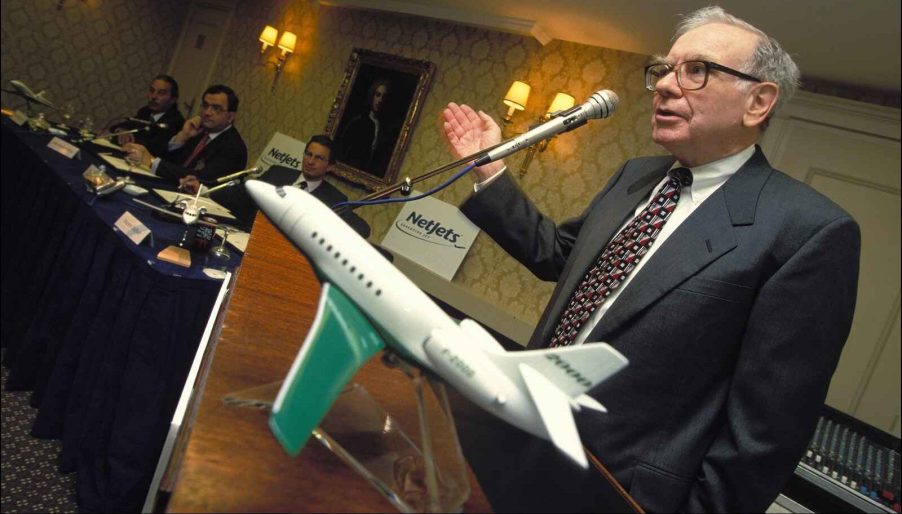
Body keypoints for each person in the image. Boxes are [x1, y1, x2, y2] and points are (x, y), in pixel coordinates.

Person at [441, 6, 860, 512]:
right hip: (516, 435)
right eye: (663, 68)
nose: (664, 85)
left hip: (616, 491)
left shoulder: (808, 231)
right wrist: (492, 172)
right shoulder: (635, 176)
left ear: (758, 102)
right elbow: (557, 256)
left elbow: (764, 437)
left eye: (696, 70)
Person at [213, 134, 371, 237]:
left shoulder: (334, 198)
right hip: (248, 234)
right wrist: (207, 189)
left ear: (330, 166)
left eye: (319, 158)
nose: (310, 161)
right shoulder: (277, 173)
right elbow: (242, 193)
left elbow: (363, 229)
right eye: (308, 154)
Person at [123, 84, 248, 189]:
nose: (207, 112)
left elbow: (201, 178)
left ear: (230, 117)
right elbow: (172, 162)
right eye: (205, 106)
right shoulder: (200, 132)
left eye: (216, 108)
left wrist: (152, 162)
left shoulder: (234, 148)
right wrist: (182, 136)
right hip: (168, 187)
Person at [110, 74, 184, 156]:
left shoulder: (176, 121)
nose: (153, 96)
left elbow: (151, 147)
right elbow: (122, 126)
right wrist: (122, 130)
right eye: (152, 90)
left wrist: (131, 136)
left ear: (173, 99)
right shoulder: (145, 111)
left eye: (161, 93)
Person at [336, 78, 396, 177]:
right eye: (378, 95)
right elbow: (343, 150)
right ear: (372, 96)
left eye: (384, 97)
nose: (380, 100)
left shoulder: (387, 129)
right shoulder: (358, 122)